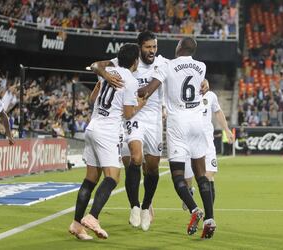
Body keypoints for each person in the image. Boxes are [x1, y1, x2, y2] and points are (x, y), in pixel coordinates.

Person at [138, 37, 216, 239]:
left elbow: (148, 90)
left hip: (177, 124)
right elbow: (200, 82)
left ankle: (193, 209)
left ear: (179, 47)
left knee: (178, 176)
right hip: (197, 123)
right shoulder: (201, 66)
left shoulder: (167, 65)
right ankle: (210, 218)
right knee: (201, 175)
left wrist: (135, 89)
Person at [90, 31, 167, 231]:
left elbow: (181, 76)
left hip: (154, 121)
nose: (152, 51)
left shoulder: (162, 63)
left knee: (153, 166)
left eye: (154, 47)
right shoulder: (125, 61)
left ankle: (146, 205)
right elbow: (96, 65)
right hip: (133, 116)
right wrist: (105, 74)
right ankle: (134, 205)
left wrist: (205, 82)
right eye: (148, 47)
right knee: (135, 157)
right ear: (139, 47)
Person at [68, 43, 146, 240]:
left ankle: (77, 224)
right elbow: (128, 115)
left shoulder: (107, 71)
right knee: (112, 177)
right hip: (108, 132)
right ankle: (93, 217)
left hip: (93, 127)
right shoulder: (130, 80)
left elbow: (93, 99)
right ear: (135, 61)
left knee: (90, 179)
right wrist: (140, 105)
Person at [183, 90, 234, 210]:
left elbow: (218, 112)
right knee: (187, 178)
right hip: (190, 141)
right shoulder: (188, 94)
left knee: (208, 176)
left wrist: (227, 130)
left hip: (207, 144)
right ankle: (189, 190)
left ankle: (208, 215)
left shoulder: (211, 96)